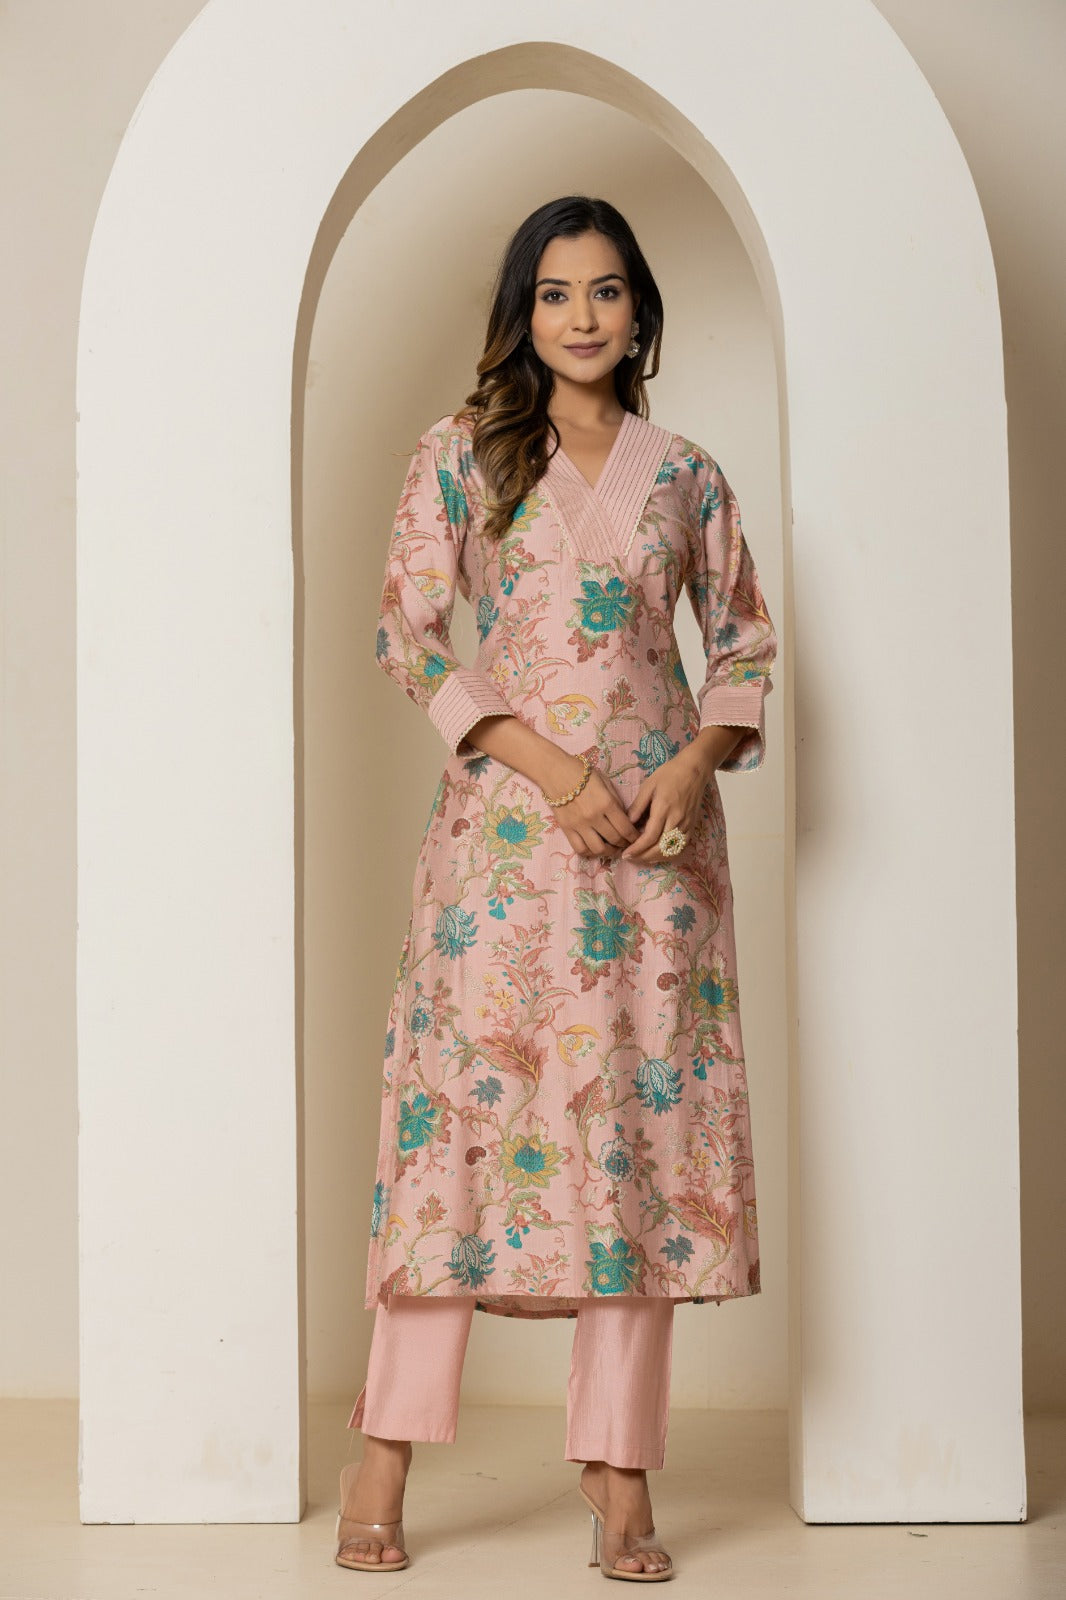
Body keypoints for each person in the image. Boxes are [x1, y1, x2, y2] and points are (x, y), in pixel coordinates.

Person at [334, 195, 777, 1580]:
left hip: (655, 861)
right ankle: (384, 1450)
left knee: (635, 1146)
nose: (581, 316)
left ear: (639, 310)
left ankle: (620, 1468)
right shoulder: (462, 454)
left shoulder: (688, 476)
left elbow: (744, 647)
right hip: (507, 857)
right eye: (553, 293)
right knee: (460, 1136)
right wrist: (548, 768)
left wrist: (696, 763)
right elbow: (407, 635)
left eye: (604, 290)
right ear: (521, 314)